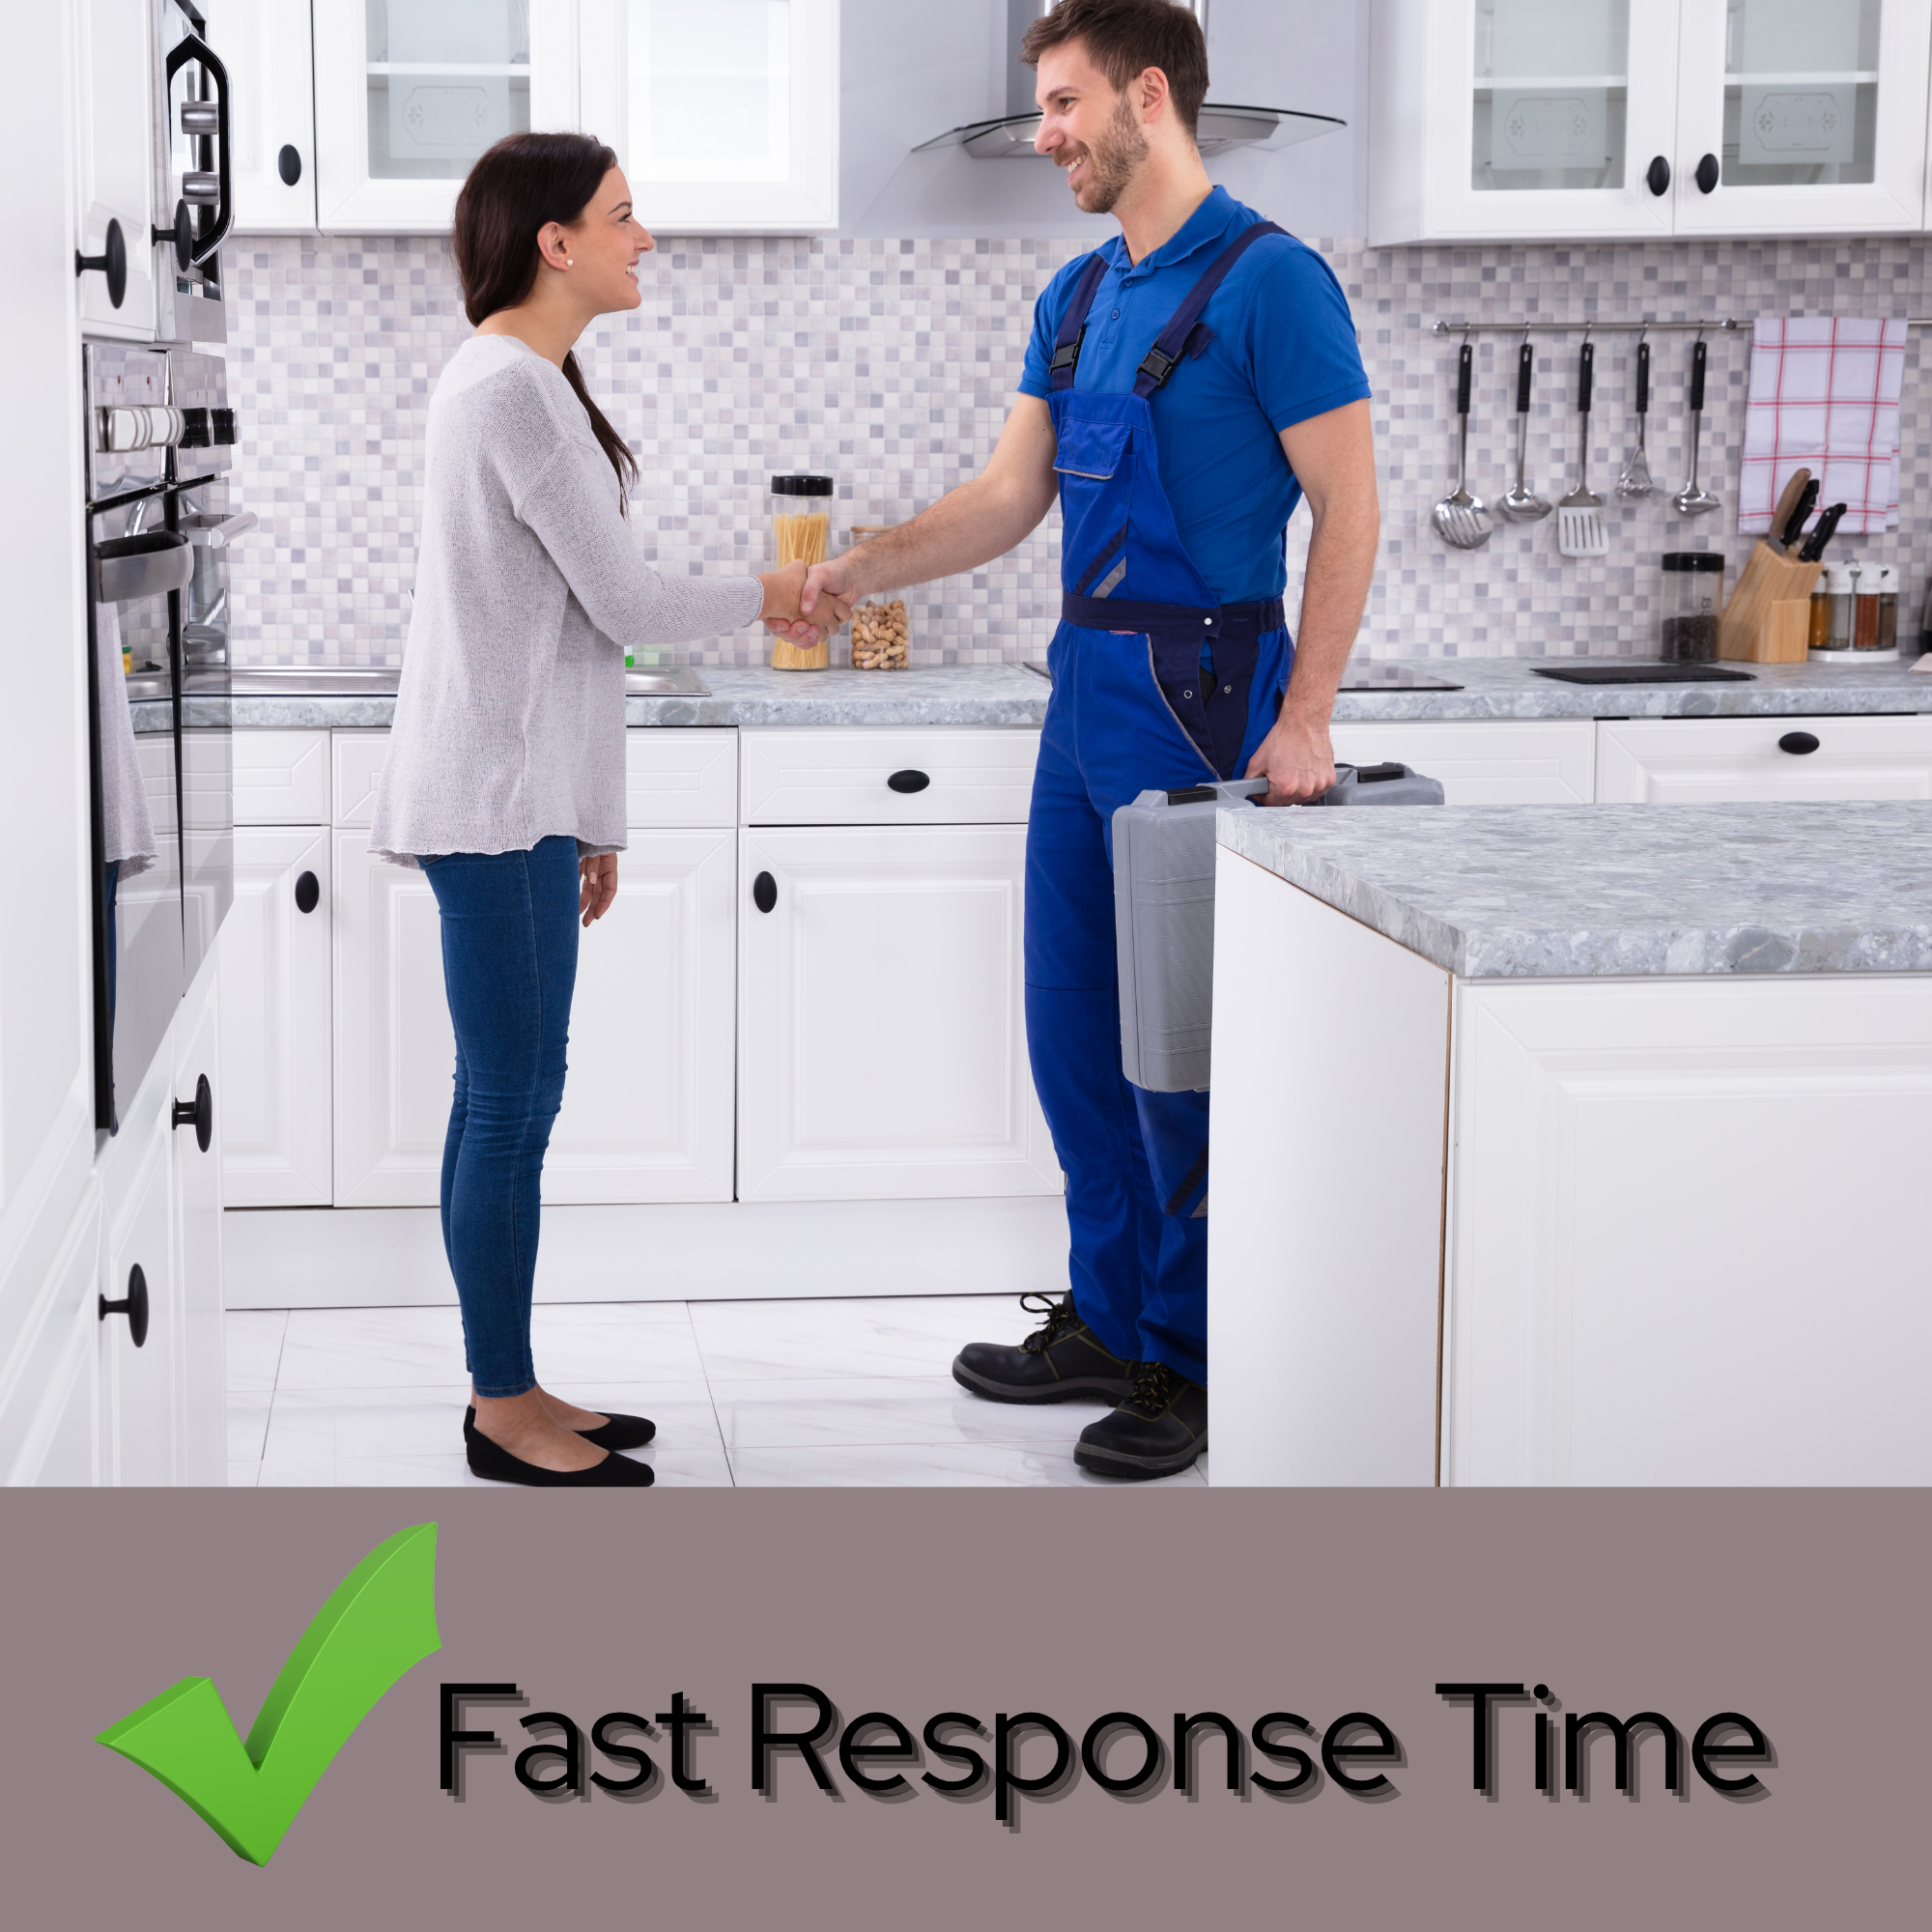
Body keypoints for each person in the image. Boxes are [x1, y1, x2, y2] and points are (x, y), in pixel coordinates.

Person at [798, 0, 1378, 1480]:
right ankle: (1115, 1321)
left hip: (1207, 706)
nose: (1045, 133)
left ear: (1149, 96)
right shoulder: (1075, 296)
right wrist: (860, 569)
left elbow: (1351, 510)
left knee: (1177, 1057)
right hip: (1088, 699)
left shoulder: (1275, 284)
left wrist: (1306, 713)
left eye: (1062, 106)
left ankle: (1192, 1359)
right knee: (1073, 1036)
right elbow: (1009, 500)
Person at [368, 130, 826, 1488]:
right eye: (624, 218)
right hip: (497, 802)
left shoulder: (530, 382)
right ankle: (500, 1409)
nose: (645, 240)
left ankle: (509, 1384)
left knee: (507, 1098)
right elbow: (625, 610)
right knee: (509, 1104)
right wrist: (779, 589)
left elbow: (569, 640)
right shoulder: (510, 391)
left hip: (521, 800)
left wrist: (596, 819)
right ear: (553, 242)